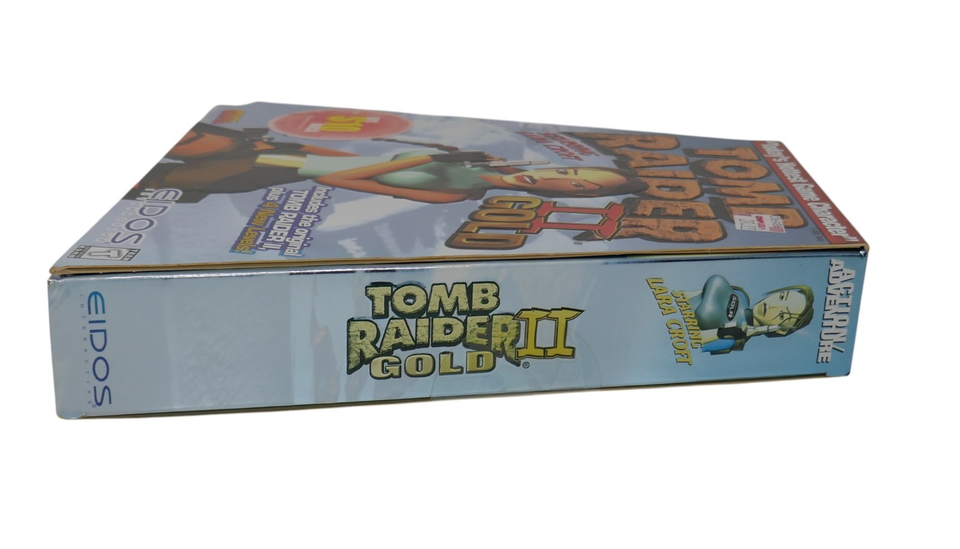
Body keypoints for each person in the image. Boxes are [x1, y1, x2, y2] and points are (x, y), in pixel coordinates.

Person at [125, 123, 647, 203]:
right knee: (199, 137)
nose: (566, 178)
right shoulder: (477, 160)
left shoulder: (455, 193)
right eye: (573, 170)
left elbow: (338, 180)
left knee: (158, 178)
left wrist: (423, 158)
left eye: (581, 188)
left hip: (260, 173)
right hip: (282, 153)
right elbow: (346, 157)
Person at [689, 275, 814, 354]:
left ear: (781, 330)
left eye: (781, 314)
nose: (772, 306)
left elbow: (690, 345)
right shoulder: (740, 294)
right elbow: (689, 295)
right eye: (781, 297)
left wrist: (723, 333)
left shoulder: (734, 340)